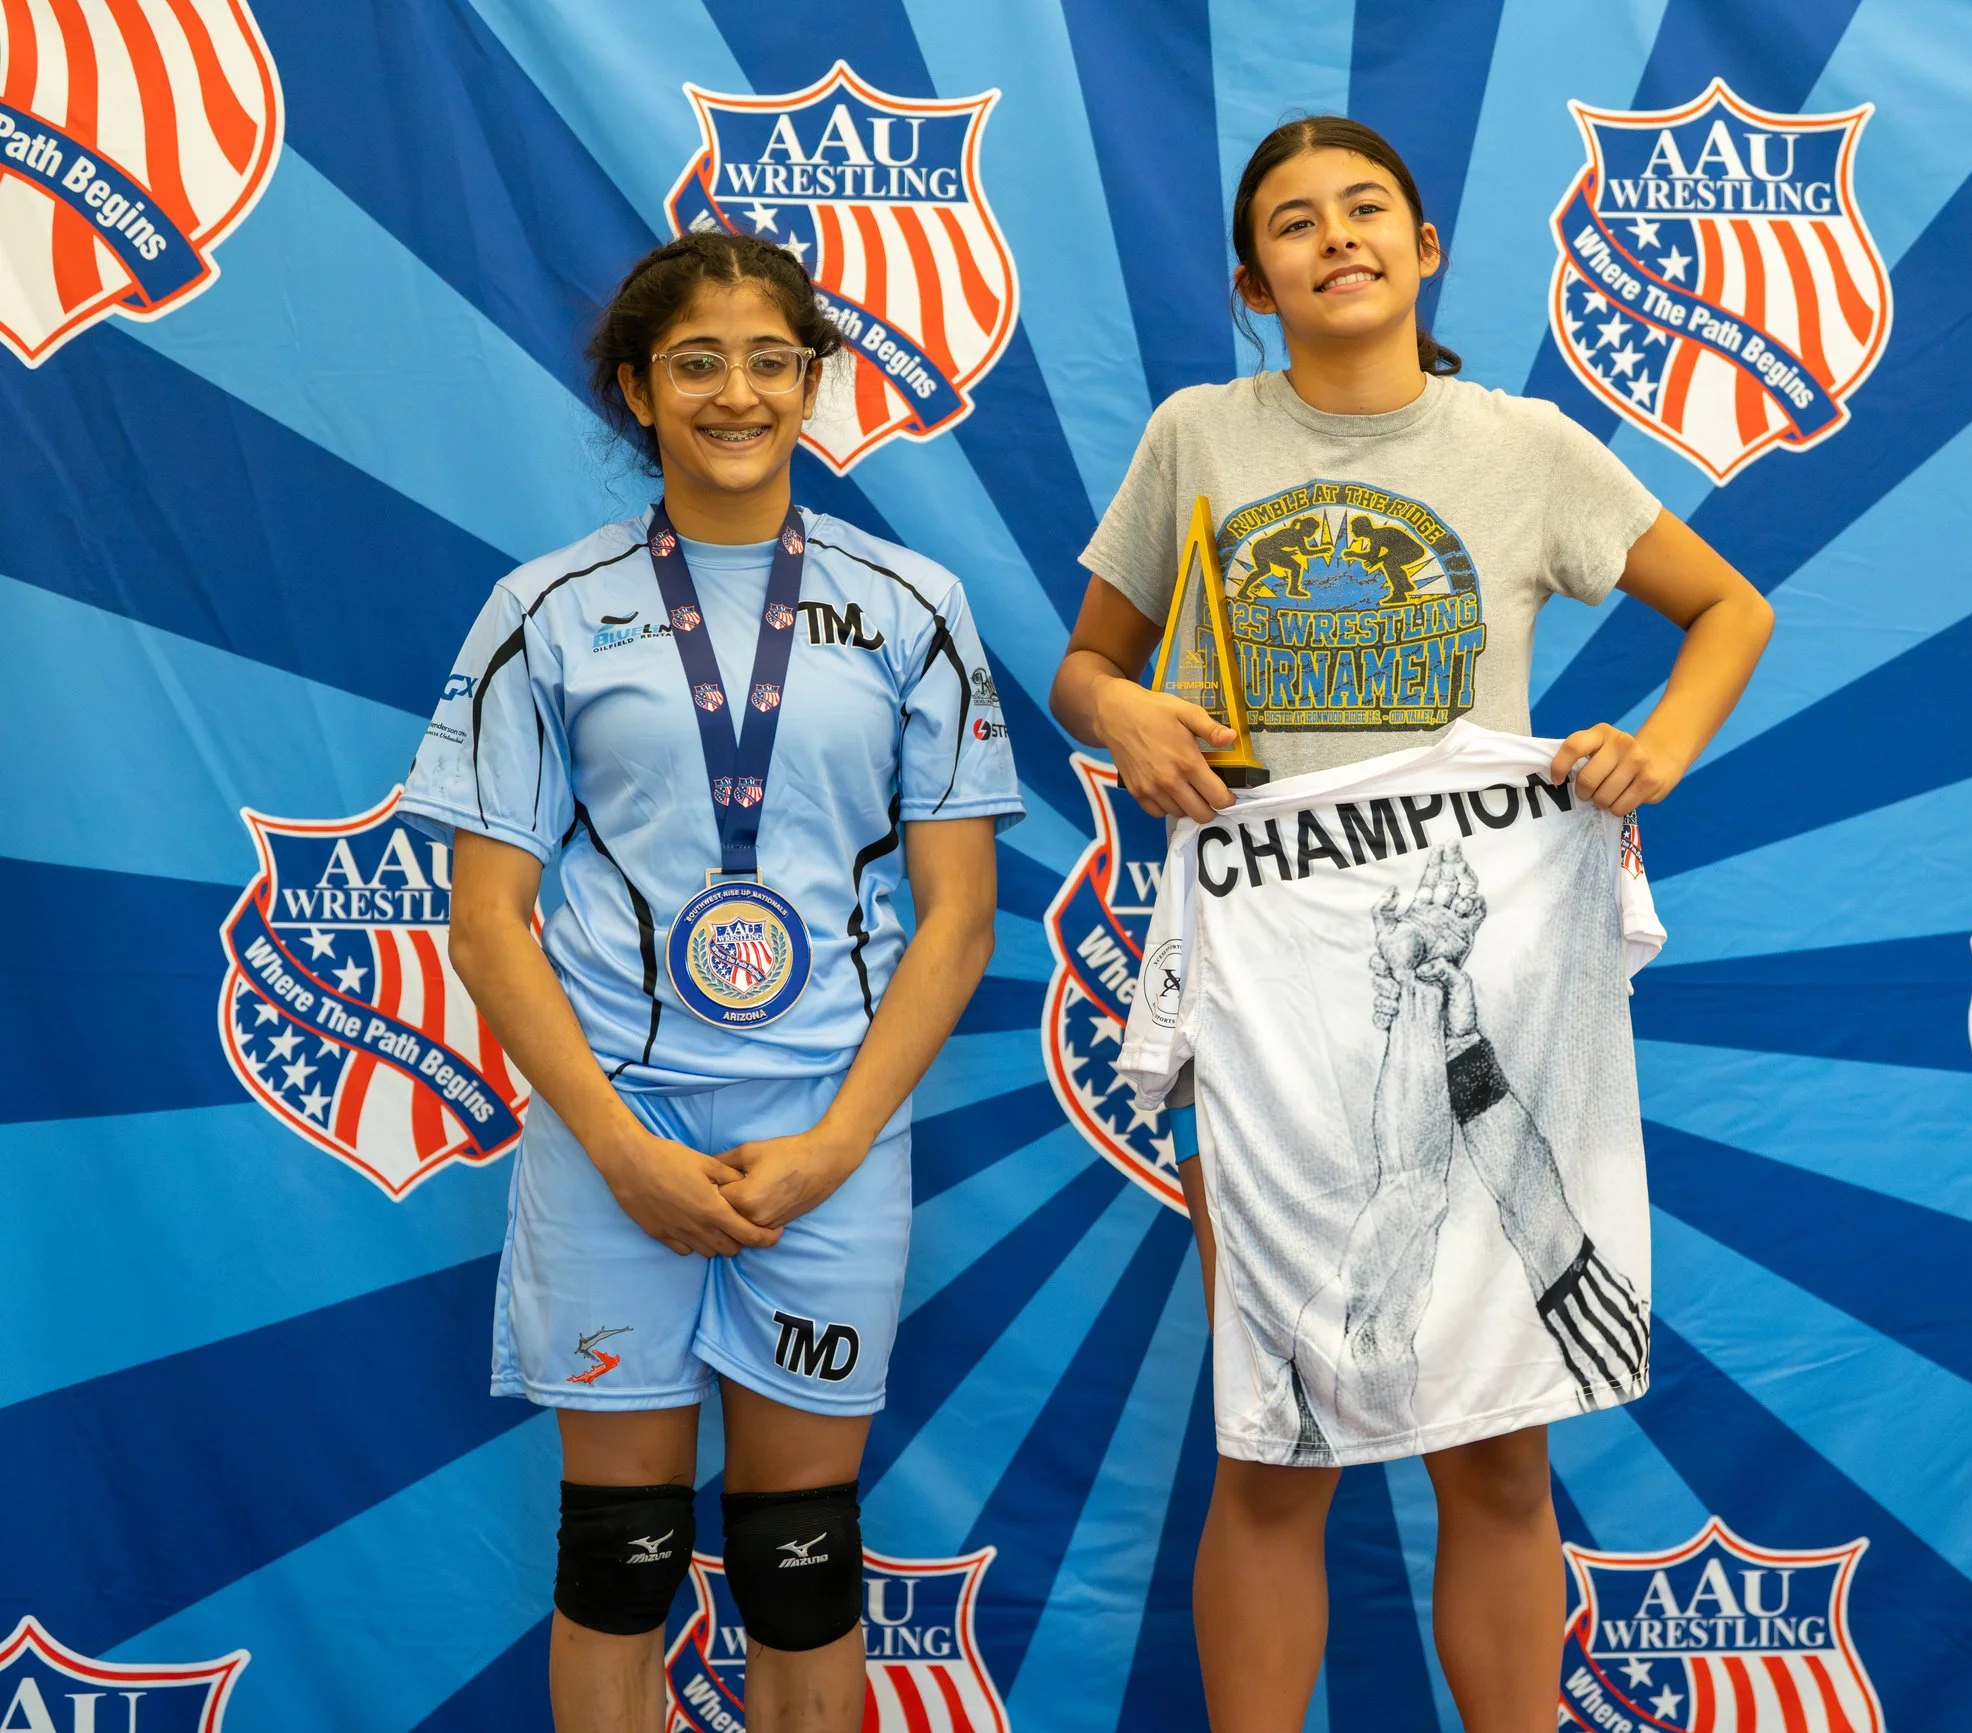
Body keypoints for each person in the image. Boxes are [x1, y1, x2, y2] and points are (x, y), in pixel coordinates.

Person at [1048, 118, 1774, 1732]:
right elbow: (1083, 665)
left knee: (1499, 1438)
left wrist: (1653, 747)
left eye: (1366, 208)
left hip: (1493, 960)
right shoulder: (1197, 435)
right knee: (1280, 1425)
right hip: (1273, 979)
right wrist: (1124, 718)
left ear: (1426, 246)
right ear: (1254, 281)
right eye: (1293, 223)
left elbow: (1733, 608)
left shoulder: (1523, 446)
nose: (1337, 237)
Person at [402, 230, 1022, 1733]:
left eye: (767, 359)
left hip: (830, 1129)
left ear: (813, 381)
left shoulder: (912, 602)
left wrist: (833, 1142)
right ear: (637, 387)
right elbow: (489, 923)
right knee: (618, 1566)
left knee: (801, 1570)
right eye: (695, 360)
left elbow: (956, 923)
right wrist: (624, 1152)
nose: (734, 391)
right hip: (616, 1136)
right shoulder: (543, 610)